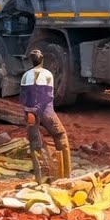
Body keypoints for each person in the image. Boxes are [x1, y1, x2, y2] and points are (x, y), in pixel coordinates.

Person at [19, 48, 72, 183]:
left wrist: (30, 112)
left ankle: (39, 177)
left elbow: (24, 97)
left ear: (31, 60)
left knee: (35, 143)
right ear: (42, 60)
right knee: (60, 136)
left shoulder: (25, 76)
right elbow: (48, 96)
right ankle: (66, 174)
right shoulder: (48, 74)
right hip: (45, 112)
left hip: (30, 113)